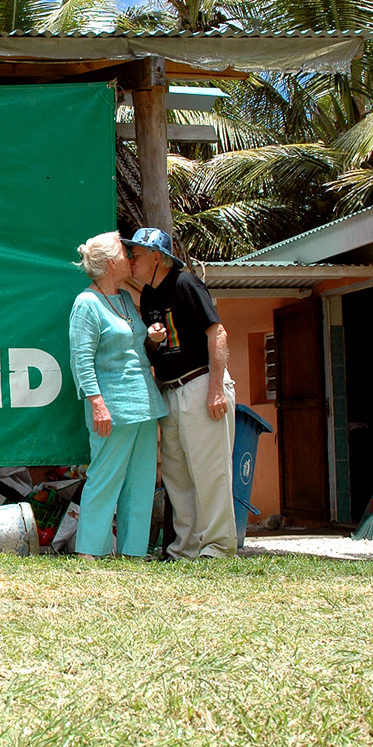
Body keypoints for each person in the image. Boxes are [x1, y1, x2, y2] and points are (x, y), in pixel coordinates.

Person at [122, 227, 238, 559]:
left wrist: (216, 388)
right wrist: (152, 340)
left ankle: (218, 549)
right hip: (170, 390)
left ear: (156, 257)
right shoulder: (149, 296)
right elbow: (152, 352)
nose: (130, 260)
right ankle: (185, 550)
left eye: (136, 254)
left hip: (201, 383)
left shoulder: (186, 283)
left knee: (210, 473)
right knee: (177, 477)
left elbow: (217, 332)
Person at [67, 232, 167, 559]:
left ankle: (132, 553)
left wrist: (152, 338)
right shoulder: (86, 303)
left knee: (141, 482)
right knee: (104, 479)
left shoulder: (124, 298)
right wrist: (97, 403)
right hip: (112, 408)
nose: (131, 257)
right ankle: (89, 553)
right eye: (126, 252)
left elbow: (137, 346)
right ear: (112, 262)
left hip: (144, 404)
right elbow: (81, 358)